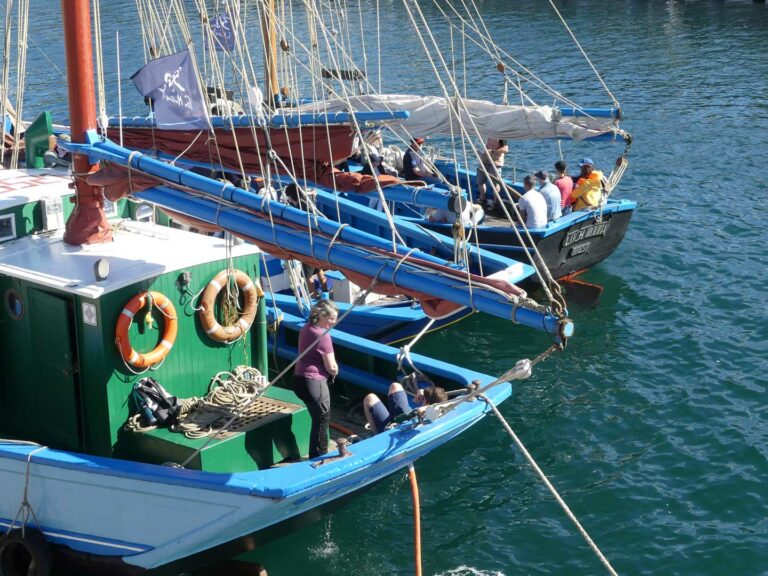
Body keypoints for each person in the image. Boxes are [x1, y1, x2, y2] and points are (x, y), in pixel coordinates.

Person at [293, 300, 339, 457]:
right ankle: (320, 455)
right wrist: (334, 372)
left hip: (299, 379)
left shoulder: (307, 328)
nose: (334, 322)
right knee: (322, 417)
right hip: (313, 381)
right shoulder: (324, 337)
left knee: (317, 417)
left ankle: (316, 452)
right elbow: (331, 366)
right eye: (331, 319)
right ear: (321, 316)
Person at [363, 381, 448, 434]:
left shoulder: (430, 415)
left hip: (395, 428)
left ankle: (378, 434)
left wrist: (423, 408)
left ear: (427, 402)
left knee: (370, 398)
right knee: (395, 386)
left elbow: (430, 416)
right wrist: (422, 392)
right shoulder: (443, 407)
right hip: (406, 416)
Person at [476, 138, 508, 208]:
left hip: (495, 163)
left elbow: (505, 149)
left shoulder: (501, 136)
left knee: (495, 184)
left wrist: (494, 151)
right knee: (480, 182)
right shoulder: (484, 133)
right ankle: (482, 198)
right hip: (483, 162)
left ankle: (496, 202)